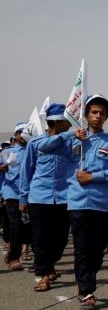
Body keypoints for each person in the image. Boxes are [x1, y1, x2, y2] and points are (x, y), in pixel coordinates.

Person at [62, 95, 108, 310]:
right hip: (79, 203)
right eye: (94, 112)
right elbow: (43, 147)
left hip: (104, 205)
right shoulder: (73, 140)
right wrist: (71, 136)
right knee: (82, 248)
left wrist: (94, 177)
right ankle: (86, 292)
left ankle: (88, 278)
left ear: (106, 116)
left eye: (101, 113)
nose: (98, 116)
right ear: (86, 115)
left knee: (97, 251)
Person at [19, 104, 73, 291]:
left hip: (64, 198)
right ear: (57, 123)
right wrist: (23, 199)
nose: (70, 125)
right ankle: (43, 274)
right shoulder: (36, 144)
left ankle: (50, 265)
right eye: (67, 121)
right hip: (39, 198)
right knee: (41, 238)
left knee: (61, 239)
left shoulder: (70, 144)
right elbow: (27, 172)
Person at [1, 123, 30, 270]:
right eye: (20, 133)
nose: (23, 136)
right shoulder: (8, 152)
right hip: (12, 194)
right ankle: (14, 257)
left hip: (30, 194)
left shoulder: (33, 151)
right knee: (15, 226)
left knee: (27, 227)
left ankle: (16, 251)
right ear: (16, 135)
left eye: (26, 132)